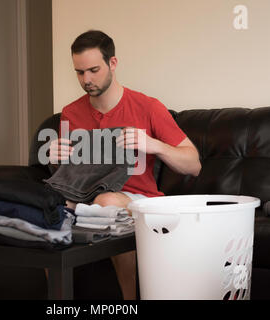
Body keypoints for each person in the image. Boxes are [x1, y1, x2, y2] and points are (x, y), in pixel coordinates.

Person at [49, 30, 201, 300]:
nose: (87, 80)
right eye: (79, 72)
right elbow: (68, 176)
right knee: (45, 207)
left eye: (94, 70)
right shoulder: (71, 113)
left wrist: (153, 145)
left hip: (137, 199)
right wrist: (55, 158)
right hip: (85, 195)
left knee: (106, 201)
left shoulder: (148, 107)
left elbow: (193, 165)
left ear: (113, 63)